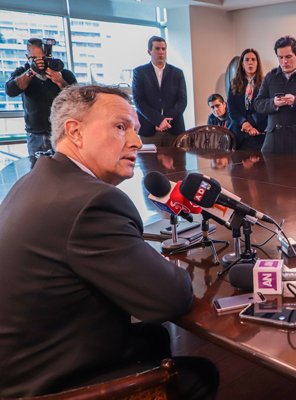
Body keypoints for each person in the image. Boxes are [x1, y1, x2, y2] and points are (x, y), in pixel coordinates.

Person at [0, 85, 218, 399]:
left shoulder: (34, 180)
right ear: (75, 131)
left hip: (20, 364)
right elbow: (171, 299)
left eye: (137, 130)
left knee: (152, 336)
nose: (137, 141)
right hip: (44, 386)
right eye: (120, 127)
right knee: (201, 373)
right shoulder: (92, 202)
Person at [5, 37, 77, 157]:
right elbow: (11, 91)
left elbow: (77, 98)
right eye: (34, 59)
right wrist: (31, 71)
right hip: (36, 135)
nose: (40, 62)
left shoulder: (63, 73)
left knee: (65, 170)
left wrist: (60, 81)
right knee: (38, 170)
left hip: (62, 132)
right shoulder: (22, 72)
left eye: (42, 58)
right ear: (27, 57)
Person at [254, 35, 296, 154]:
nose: (284, 61)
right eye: (280, 57)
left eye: (288, 57)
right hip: (274, 141)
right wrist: (273, 103)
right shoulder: (270, 77)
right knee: (270, 172)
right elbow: (258, 104)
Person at [132, 36, 187, 147]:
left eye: (163, 49)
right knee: (150, 163)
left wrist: (165, 122)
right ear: (149, 51)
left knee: (178, 164)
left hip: (174, 129)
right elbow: (139, 101)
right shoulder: (140, 72)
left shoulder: (177, 73)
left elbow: (182, 101)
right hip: (149, 129)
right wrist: (158, 120)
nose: (161, 52)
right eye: (157, 49)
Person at [227, 48, 268, 150]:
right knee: (237, 164)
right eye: (247, 59)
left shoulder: (265, 83)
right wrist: (243, 122)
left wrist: (250, 123)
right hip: (238, 132)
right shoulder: (234, 83)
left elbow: (265, 107)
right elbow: (231, 108)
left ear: (257, 63)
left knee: (259, 165)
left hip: (258, 132)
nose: (250, 62)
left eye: (253, 59)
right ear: (242, 64)